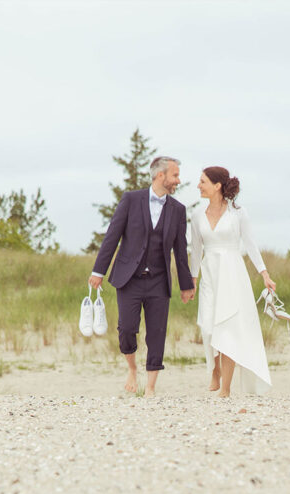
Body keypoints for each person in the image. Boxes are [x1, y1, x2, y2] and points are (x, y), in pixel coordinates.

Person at [89, 156, 195, 397]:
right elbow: (112, 236)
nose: (178, 180)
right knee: (127, 329)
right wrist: (98, 271)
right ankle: (132, 368)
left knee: (157, 332)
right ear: (161, 176)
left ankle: (150, 387)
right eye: (175, 175)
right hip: (129, 278)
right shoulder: (131, 200)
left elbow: (180, 250)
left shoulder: (178, 210)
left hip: (159, 280)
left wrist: (186, 285)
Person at [190, 167, 275, 397]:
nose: (198, 185)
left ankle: (225, 388)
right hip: (210, 274)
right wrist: (193, 279)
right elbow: (196, 250)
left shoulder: (238, 212)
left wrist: (264, 273)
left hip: (233, 274)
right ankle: (214, 369)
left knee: (227, 329)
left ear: (217, 185)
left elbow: (250, 244)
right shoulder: (197, 215)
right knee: (208, 327)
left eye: (202, 181)